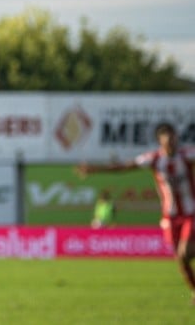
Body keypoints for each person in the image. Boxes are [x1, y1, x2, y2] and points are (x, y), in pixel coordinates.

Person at [77, 122, 195, 303]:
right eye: (168, 139)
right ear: (160, 141)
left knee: (184, 253)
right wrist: (95, 169)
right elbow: (124, 167)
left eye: (174, 137)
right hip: (170, 217)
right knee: (181, 259)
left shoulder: (187, 155)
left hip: (190, 213)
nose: (172, 142)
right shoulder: (153, 159)